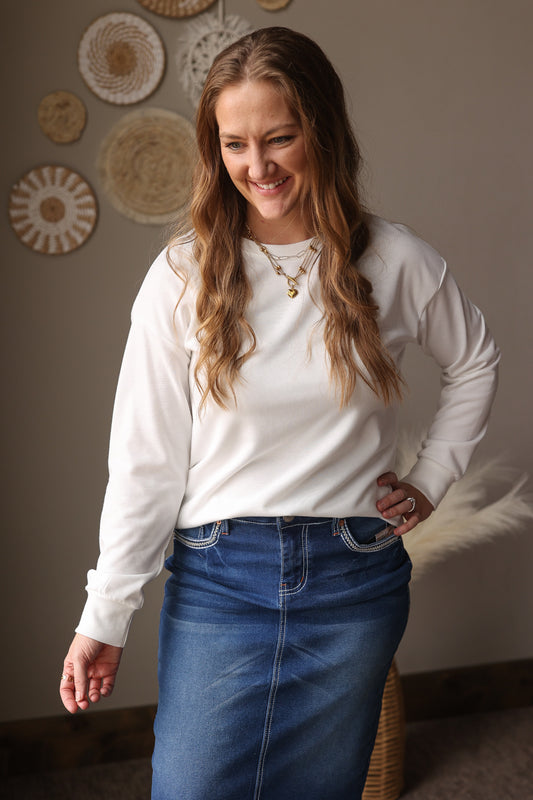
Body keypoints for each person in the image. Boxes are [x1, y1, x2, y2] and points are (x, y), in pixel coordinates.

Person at [60, 26, 499, 800]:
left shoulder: (394, 261)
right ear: (213, 148)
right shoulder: (179, 277)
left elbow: (474, 360)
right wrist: (105, 614)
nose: (255, 166)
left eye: (279, 138)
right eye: (233, 144)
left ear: (320, 132)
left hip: (353, 580)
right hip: (219, 581)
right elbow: (145, 465)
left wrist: (432, 475)